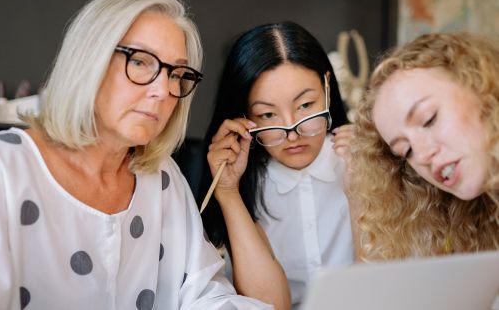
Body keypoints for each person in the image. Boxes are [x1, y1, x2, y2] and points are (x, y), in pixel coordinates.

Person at [0, 0, 271, 309]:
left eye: (176, 74)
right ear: (89, 59)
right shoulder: (7, 172)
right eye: (141, 61)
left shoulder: (161, 176)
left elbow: (204, 294)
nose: (162, 91)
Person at [199, 21, 357, 310]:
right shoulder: (243, 180)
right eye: (268, 114)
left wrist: (366, 190)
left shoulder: (363, 159)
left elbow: (388, 287)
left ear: (327, 89)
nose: (292, 133)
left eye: (306, 106)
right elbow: (270, 305)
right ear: (245, 115)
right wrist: (228, 192)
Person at [349, 32, 499, 261]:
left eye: (428, 119)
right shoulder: (473, 226)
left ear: (481, 86)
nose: (422, 155)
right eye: (406, 151)